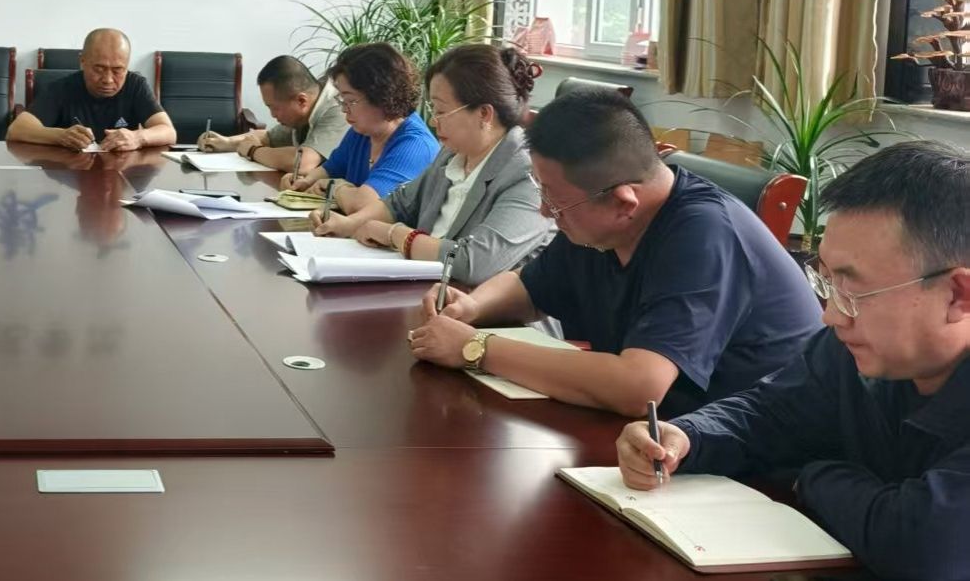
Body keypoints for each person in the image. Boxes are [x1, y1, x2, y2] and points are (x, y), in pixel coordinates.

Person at [616, 142, 970, 580]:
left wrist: (815, 476)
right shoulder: (856, 347)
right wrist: (687, 436)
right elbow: (771, 413)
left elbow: (926, 547)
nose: (831, 315)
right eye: (827, 281)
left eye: (855, 292)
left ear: (958, 294)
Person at [408, 89, 821, 416]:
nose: (545, 212)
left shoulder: (704, 235)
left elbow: (639, 387)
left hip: (751, 464)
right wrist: (472, 307)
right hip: (661, 439)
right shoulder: (601, 220)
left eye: (554, 201)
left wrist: (476, 348)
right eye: (541, 192)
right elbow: (531, 288)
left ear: (624, 203)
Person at [312, 44, 553, 286]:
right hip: (423, 289)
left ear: (484, 114)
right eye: (432, 110)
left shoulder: (530, 176)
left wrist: (395, 235)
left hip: (475, 304)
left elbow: (474, 263)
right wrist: (347, 225)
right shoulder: (451, 154)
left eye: (441, 111)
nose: (434, 122)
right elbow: (399, 204)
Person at [281, 43, 438, 214]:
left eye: (351, 101)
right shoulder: (363, 131)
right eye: (342, 100)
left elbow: (364, 205)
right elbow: (330, 170)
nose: (344, 109)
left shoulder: (415, 145)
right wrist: (302, 182)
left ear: (383, 96)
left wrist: (337, 188)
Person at [7, 28, 177, 151]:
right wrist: (60, 136)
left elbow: (168, 132)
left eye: (118, 70)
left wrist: (138, 138)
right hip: (71, 173)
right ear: (83, 61)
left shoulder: (135, 85)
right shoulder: (61, 88)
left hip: (119, 174)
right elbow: (17, 130)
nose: (108, 79)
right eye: (99, 69)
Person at [195, 55, 346, 174]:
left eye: (274, 107)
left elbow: (302, 163)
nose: (272, 115)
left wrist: (254, 151)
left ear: (301, 100)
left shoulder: (339, 107)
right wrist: (226, 142)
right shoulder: (305, 111)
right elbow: (269, 138)